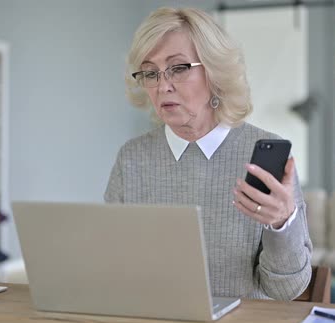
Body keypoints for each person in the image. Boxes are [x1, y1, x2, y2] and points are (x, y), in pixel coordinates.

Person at [104, 7, 312, 301]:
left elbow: (286, 290)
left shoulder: (262, 152)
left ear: (215, 73)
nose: (163, 86)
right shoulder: (132, 158)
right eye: (150, 73)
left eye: (178, 68)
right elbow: (111, 267)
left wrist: (281, 224)